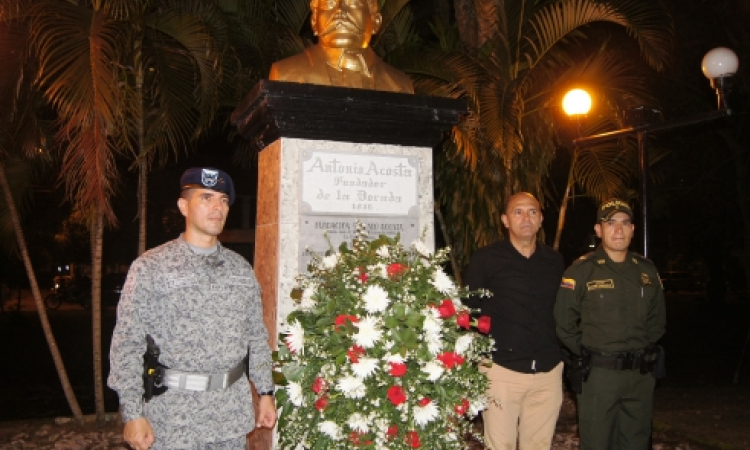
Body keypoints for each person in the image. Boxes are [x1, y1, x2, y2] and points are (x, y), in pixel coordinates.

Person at [108, 167, 276, 450]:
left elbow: (256, 337)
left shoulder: (240, 270)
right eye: (206, 198)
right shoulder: (151, 267)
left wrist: (266, 391)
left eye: (223, 200)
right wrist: (133, 413)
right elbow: (127, 342)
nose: (217, 207)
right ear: (183, 206)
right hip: (172, 419)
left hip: (229, 417)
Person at [554, 199, 666, 450]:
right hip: (600, 376)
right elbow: (564, 322)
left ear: (633, 229)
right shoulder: (582, 271)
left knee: (637, 442)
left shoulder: (646, 271)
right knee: (597, 443)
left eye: (625, 223)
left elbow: (658, 321)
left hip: (640, 376)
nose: (618, 230)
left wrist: (641, 348)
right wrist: (589, 351)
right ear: (598, 230)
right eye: (610, 223)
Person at [463, 192, 565, 449]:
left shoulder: (555, 261)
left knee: (539, 445)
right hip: (501, 371)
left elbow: (563, 310)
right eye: (518, 212)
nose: (526, 218)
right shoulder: (486, 259)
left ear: (541, 219)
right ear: (505, 220)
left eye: (532, 212)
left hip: (547, 371)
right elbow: (468, 311)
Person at [268, 0, 414, 93]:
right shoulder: (286, 75)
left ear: (375, 21)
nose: (340, 12)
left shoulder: (400, 86)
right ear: (314, 21)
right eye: (328, 4)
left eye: (353, 3)